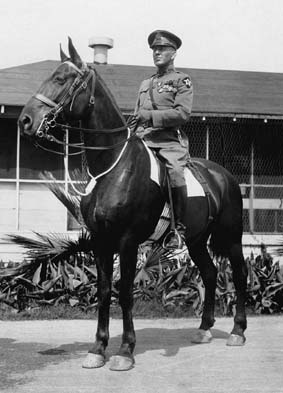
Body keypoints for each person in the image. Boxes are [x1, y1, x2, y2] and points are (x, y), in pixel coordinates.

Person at [134, 29, 193, 248]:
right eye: (154, 49)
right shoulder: (145, 84)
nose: (157, 52)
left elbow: (182, 114)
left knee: (176, 172)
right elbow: (137, 115)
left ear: (174, 53)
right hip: (142, 140)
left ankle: (178, 229)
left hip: (168, 142)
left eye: (162, 48)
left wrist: (149, 116)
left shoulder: (181, 80)